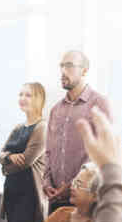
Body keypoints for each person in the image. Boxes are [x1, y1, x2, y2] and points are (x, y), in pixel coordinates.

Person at [43, 50, 111, 213]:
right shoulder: (56, 109)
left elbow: (103, 152)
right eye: (61, 66)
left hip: (85, 199)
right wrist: (46, 183)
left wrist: (73, 184)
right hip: (55, 199)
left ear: (85, 71)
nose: (63, 71)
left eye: (69, 66)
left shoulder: (99, 104)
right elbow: (48, 152)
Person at [0, 82, 48, 222]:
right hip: (12, 192)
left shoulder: (42, 127)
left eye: (28, 95)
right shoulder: (18, 128)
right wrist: (8, 157)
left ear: (38, 99)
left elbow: (26, 161)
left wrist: (5, 165)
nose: (22, 98)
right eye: (21, 94)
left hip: (29, 195)